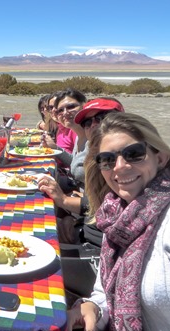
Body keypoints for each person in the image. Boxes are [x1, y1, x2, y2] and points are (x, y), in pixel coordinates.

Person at [67, 112, 170, 331]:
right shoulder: (116, 217)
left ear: (161, 157)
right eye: (107, 160)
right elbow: (106, 294)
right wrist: (93, 307)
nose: (119, 166)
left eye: (134, 154)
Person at [38, 97, 125, 244]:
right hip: (91, 226)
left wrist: (65, 201)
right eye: (87, 122)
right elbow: (102, 201)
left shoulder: (124, 160)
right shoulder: (97, 154)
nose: (94, 125)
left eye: (102, 118)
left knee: (40, 225)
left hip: (97, 241)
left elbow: (113, 207)